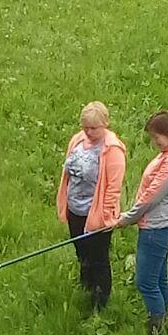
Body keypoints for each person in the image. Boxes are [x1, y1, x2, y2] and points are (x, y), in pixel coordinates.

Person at [115, 111, 168, 335]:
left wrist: (126, 218)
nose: (155, 141)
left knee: (146, 281)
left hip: (157, 229)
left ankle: (156, 328)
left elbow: (150, 197)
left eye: (157, 136)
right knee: (159, 278)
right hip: (162, 225)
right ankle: (162, 318)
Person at [56, 101, 126, 310]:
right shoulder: (78, 140)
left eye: (94, 128)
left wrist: (103, 218)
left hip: (96, 214)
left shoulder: (112, 150)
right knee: (82, 252)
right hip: (75, 208)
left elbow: (113, 188)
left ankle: (100, 299)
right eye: (85, 127)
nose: (88, 132)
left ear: (105, 124)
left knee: (98, 259)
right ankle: (86, 284)